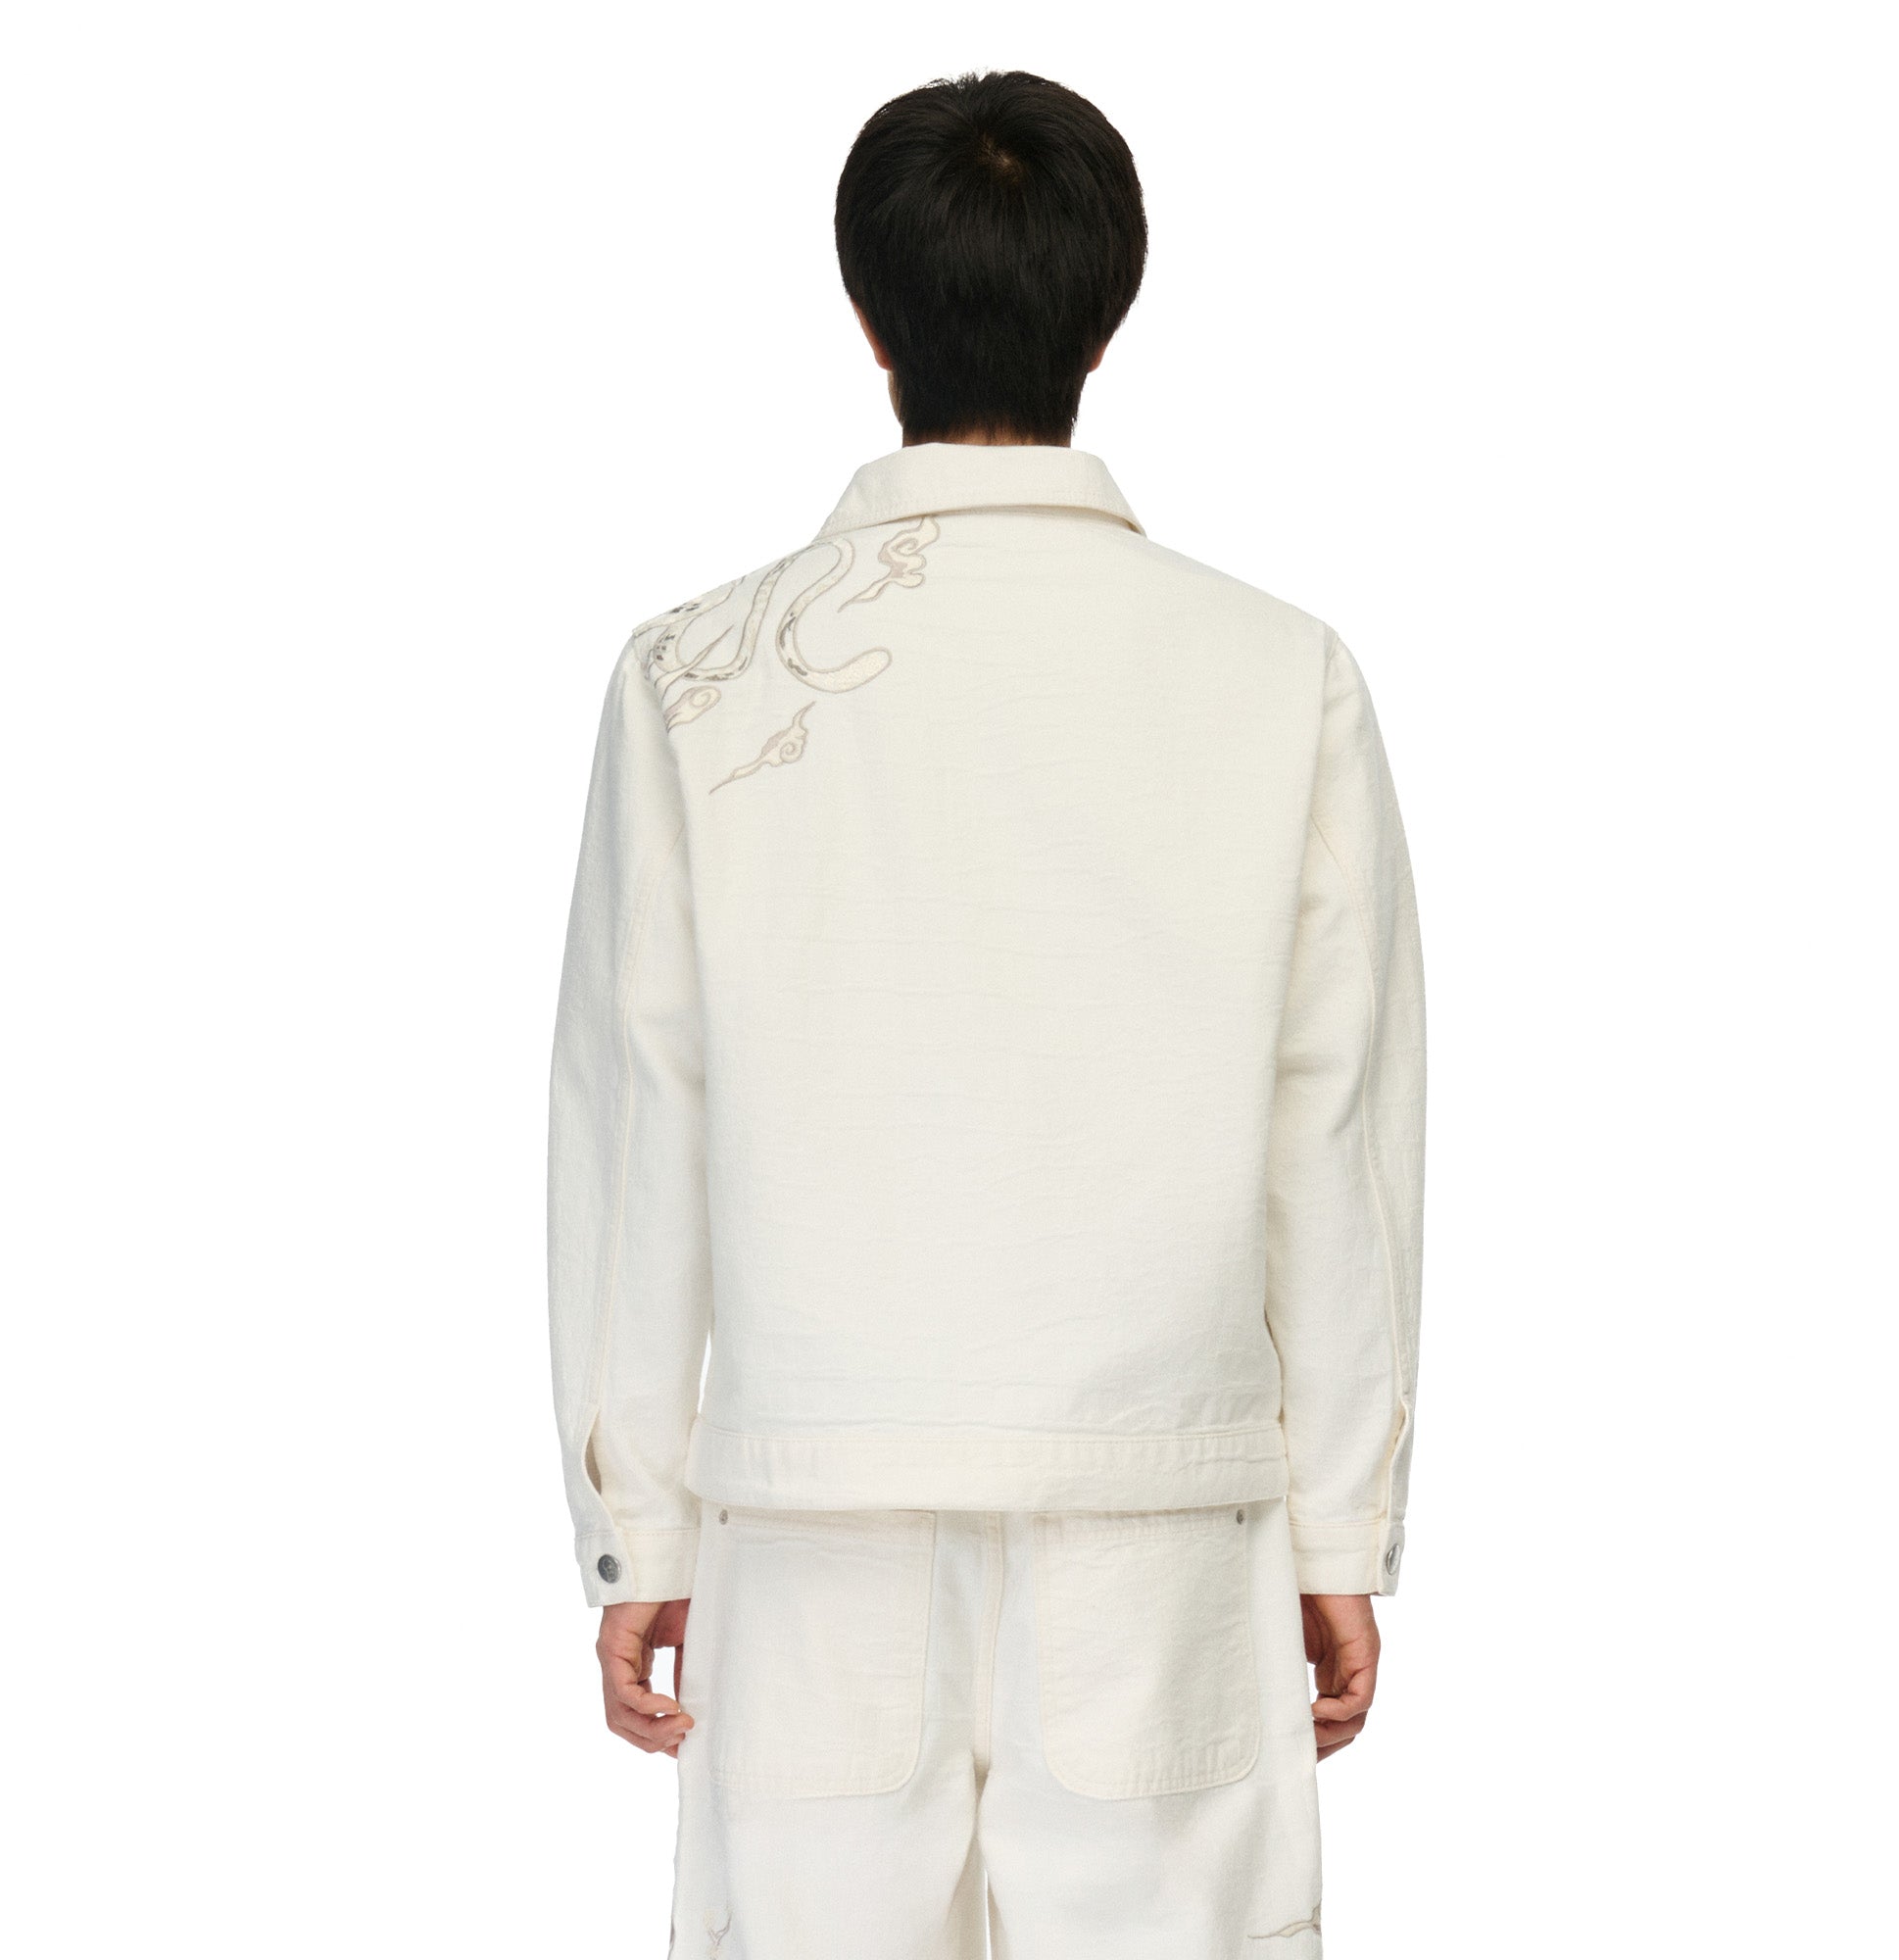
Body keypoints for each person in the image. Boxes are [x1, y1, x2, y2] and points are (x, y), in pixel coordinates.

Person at [548, 69, 1425, 1959]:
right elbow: (1335, 1137)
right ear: (1108, 316)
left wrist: (641, 1526)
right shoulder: (1278, 674)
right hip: (1163, 1522)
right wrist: (1342, 1526)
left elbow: (642, 1120)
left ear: (869, 318)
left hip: (813, 1522)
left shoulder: (695, 676)